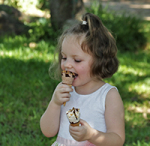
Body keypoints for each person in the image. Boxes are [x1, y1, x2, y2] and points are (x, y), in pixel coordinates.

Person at [40, 13, 125, 146]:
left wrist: (91, 135)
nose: (67, 64)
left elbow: (118, 140)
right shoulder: (64, 91)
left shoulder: (109, 95)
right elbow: (47, 131)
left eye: (77, 60)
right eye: (64, 57)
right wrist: (55, 103)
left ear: (99, 61)